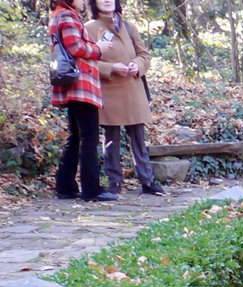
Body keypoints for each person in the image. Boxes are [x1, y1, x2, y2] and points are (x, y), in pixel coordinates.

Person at [86, 0, 163, 196]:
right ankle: (114, 182)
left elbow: (144, 55)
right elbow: (87, 62)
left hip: (133, 88)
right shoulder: (89, 28)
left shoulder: (129, 26)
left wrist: (137, 65)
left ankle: (147, 180)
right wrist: (111, 68)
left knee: (138, 138)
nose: (107, 0)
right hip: (108, 90)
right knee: (111, 140)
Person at [50, 0, 119, 201]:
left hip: (74, 84)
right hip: (81, 85)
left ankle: (66, 186)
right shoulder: (67, 16)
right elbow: (76, 48)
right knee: (88, 138)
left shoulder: (59, 14)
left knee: (76, 137)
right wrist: (99, 49)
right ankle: (91, 189)